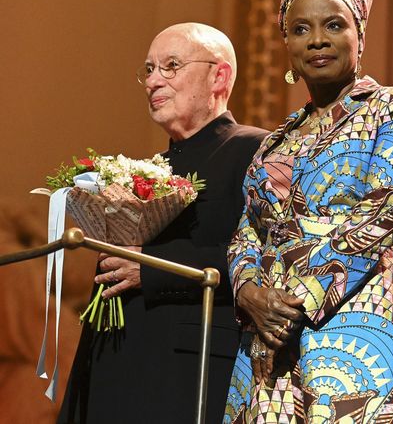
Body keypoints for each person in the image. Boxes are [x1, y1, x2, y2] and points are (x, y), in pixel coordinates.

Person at [224, 0, 393, 423]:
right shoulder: (272, 144)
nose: (317, 40)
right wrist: (250, 293)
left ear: (359, 35)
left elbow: (383, 215)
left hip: (353, 322)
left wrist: (295, 301)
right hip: (270, 342)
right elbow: (247, 233)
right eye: (301, 29)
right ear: (288, 49)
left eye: (334, 25)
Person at [58, 23, 268, 423]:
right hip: (112, 363)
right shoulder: (148, 171)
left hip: (186, 369)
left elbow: (268, 259)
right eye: (149, 69)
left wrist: (152, 269)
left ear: (219, 77)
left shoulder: (255, 149)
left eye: (171, 66)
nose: (153, 80)